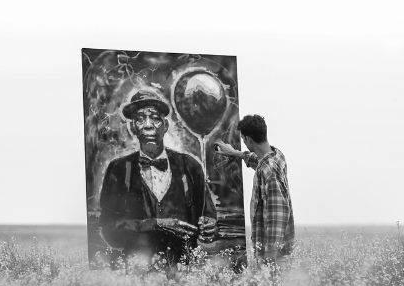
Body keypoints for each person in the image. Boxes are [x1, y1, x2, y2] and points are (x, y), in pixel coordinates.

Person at [99, 89, 217, 268]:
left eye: (154, 118)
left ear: (165, 126)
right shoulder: (118, 169)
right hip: (137, 272)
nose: (147, 125)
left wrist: (209, 228)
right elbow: (109, 230)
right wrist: (155, 224)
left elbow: (208, 218)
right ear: (132, 128)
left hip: (184, 272)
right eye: (139, 119)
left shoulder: (191, 166)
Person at [215, 114, 294, 265]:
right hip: (274, 254)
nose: (244, 143)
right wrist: (235, 153)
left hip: (273, 258)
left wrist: (269, 259)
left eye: (244, 139)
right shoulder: (276, 156)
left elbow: (279, 214)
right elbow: (259, 160)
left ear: (249, 139)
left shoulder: (269, 172)